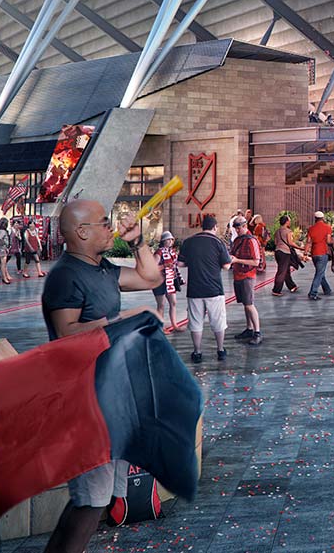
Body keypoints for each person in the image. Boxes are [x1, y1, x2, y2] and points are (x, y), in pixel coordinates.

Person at [40, 198, 162, 553]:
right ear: (81, 231)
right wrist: (122, 322)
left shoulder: (102, 268)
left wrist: (138, 242)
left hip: (108, 394)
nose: (111, 228)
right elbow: (66, 332)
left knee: (96, 498)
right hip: (81, 398)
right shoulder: (65, 275)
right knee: (91, 500)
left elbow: (150, 277)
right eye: (104, 223)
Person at [181, 214, 232, 363]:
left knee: (196, 322)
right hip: (214, 289)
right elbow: (226, 266)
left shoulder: (189, 242)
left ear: (202, 226)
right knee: (218, 321)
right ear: (215, 227)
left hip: (194, 289)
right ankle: (220, 350)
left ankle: (197, 352)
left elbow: (180, 264)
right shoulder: (218, 242)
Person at [229, 216, 265, 346]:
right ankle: (250, 329)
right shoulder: (238, 240)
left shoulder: (251, 241)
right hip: (238, 274)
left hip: (247, 275)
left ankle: (257, 332)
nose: (237, 231)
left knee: (249, 304)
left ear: (244, 226)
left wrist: (237, 260)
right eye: (236, 228)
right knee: (245, 304)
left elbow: (256, 261)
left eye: (238, 228)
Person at [152, 233, 182, 329]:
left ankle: (174, 324)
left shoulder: (172, 252)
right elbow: (152, 268)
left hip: (170, 280)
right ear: (163, 241)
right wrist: (164, 266)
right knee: (161, 305)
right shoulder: (159, 252)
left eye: (172, 239)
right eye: (168, 239)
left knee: (173, 302)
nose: (170, 241)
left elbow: (176, 265)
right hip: (159, 281)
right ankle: (160, 327)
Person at [307, 211, 334, 300]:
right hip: (323, 252)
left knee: (320, 272)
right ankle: (313, 293)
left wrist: (305, 253)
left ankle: (327, 290)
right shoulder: (327, 228)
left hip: (314, 253)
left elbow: (308, 242)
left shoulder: (311, 229)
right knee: (319, 273)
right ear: (323, 218)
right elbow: (328, 241)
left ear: (315, 218)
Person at [273, 214, 303, 295]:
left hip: (277, 252)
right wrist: (300, 248)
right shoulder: (288, 231)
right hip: (285, 252)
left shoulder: (277, 231)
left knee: (286, 270)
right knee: (282, 271)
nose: (290, 222)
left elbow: (276, 242)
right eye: (289, 221)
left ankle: (292, 286)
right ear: (286, 222)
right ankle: (276, 290)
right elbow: (290, 243)